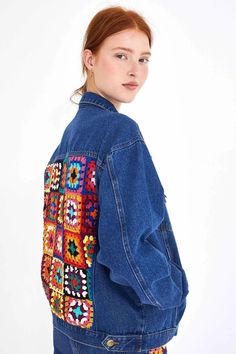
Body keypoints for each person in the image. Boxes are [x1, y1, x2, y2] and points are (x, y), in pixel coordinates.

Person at [40, 5, 189, 354]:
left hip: (71, 326)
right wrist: (170, 296)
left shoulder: (70, 138)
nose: (134, 70)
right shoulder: (120, 133)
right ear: (89, 59)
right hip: (120, 334)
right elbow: (128, 246)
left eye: (144, 59)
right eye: (121, 55)